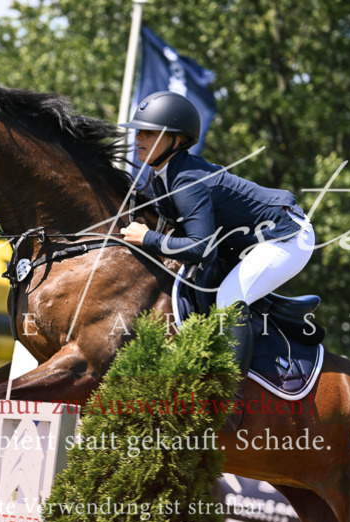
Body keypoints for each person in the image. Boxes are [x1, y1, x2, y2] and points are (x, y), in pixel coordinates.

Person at [120, 91, 315, 393]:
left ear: (175, 140)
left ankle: (227, 395)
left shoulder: (186, 181)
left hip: (287, 236)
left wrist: (148, 238)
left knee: (229, 298)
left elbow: (201, 248)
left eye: (149, 132)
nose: (139, 138)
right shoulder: (162, 175)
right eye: (138, 131)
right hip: (246, 240)